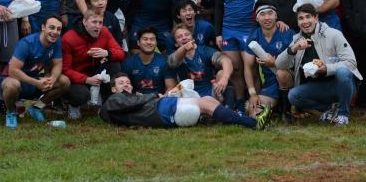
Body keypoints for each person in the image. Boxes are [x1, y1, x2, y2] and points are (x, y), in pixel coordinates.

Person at [276, 4, 362, 126]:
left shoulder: (334, 34)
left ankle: (343, 114)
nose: (305, 21)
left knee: (343, 72)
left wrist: (327, 69)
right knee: (293, 95)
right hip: (318, 87)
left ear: (316, 18)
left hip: (341, 84)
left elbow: (351, 62)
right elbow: (279, 64)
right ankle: (330, 109)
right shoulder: (297, 40)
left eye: (308, 17)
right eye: (301, 18)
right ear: (297, 22)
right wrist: (293, 49)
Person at [215, 0, 272, 114]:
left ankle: (258, 105)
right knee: (236, 70)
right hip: (229, 29)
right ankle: (240, 106)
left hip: (249, 29)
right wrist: (218, 33)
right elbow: (218, 7)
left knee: (252, 68)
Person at [100, 73, 271, 129]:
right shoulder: (112, 101)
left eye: (128, 82)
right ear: (113, 89)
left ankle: (233, 115)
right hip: (161, 111)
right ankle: (252, 122)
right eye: (121, 83)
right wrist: (154, 96)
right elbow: (124, 105)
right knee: (206, 103)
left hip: (163, 113)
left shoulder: (121, 101)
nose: (126, 85)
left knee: (206, 101)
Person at [0, 15, 70, 128]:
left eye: (58, 29)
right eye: (51, 28)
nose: (55, 32)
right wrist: (36, 83)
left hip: (35, 81)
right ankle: (11, 113)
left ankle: (37, 108)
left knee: (64, 81)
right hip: (15, 80)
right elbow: (13, 71)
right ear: (43, 27)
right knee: (11, 85)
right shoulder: (27, 43)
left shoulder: (56, 42)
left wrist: (52, 79)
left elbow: (58, 64)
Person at [61, 9, 125, 119]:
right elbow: (65, 69)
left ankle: (107, 104)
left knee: (114, 64)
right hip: (76, 77)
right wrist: (86, 79)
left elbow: (121, 53)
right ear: (84, 22)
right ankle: (73, 105)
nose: (98, 26)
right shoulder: (69, 38)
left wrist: (107, 53)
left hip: (95, 70)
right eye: (94, 22)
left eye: (100, 22)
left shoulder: (104, 31)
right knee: (81, 95)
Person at [243, 0, 295, 121]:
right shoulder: (254, 36)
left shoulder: (287, 33)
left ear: (276, 15)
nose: (267, 17)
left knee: (282, 74)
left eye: (270, 13)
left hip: (291, 81)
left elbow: (298, 64)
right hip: (271, 85)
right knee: (251, 109)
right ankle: (275, 108)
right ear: (256, 18)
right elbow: (248, 67)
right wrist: (253, 93)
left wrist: (275, 63)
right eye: (262, 14)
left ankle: (286, 111)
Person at [168, 24, 232, 99]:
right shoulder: (175, 56)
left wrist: (224, 78)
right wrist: (184, 48)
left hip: (209, 92)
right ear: (175, 43)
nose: (184, 38)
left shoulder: (204, 50)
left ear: (193, 38)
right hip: (187, 95)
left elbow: (226, 60)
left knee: (221, 73)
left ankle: (225, 106)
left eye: (187, 35)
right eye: (179, 37)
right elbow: (174, 61)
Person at [121, 27, 177, 94]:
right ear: (138, 42)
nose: (149, 42)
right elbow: (123, 88)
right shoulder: (128, 63)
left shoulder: (164, 62)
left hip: (158, 100)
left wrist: (162, 99)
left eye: (152, 39)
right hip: (136, 101)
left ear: (156, 43)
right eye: (145, 39)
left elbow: (171, 87)